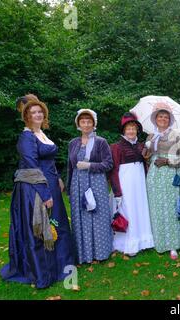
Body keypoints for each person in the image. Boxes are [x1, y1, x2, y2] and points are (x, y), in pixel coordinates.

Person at [0, 96, 75, 288]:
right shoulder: (27, 136)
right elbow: (32, 167)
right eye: (33, 112)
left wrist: (57, 178)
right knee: (41, 229)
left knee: (56, 224)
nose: (37, 114)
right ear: (26, 116)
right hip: (36, 188)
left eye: (40, 111)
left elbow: (49, 160)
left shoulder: (42, 133)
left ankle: (62, 265)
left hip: (51, 184)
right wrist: (44, 194)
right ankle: (43, 272)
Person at [144, 103, 180, 260]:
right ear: (155, 119)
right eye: (160, 116)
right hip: (155, 177)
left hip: (172, 175)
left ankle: (173, 244)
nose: (162, 119)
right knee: (157, 208)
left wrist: (168, 161)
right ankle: (159, 240)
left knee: (171, 209)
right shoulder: (151, 136)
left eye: (165, 116)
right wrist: (146, 150)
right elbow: (147, 157)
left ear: (169, 119)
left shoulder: (178, 134)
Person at [67, 109, 113, 264]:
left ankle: (100, 253)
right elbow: (70, 167)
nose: (86, 124)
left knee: (97, 216)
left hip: (96, 182)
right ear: (78, 124)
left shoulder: (101, 142)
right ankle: (83, 254)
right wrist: (69, 189)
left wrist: (89, 165)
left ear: (94, 124)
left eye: (89, 121)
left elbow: (108, 164)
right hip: (78, 184)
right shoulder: (73, 143)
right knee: (81, 218)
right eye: (83, 121)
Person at [109, 112, 154, 256]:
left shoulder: (141, 146)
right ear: (124, 130)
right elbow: (114, 170)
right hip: (125, 182)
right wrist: (117, 191)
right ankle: (129, 243)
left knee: (140, 208)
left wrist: (147, 155)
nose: (131, 131)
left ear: (137, 131)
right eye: (128, 128)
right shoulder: (116, 147)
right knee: (128, 210)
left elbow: (145, 165)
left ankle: (143, 241)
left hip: (139, 183)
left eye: (133, 128)